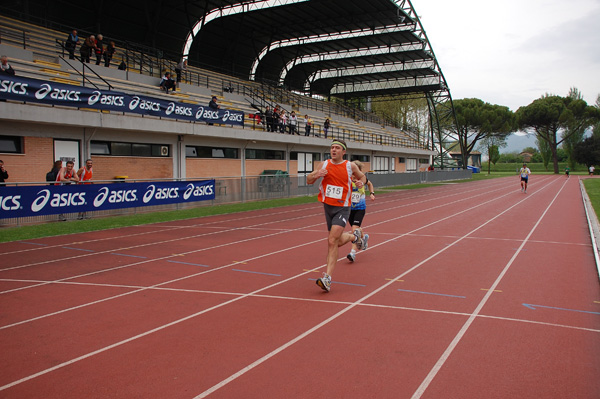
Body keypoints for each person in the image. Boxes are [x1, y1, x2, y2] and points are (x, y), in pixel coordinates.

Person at [307, 140, 370, 292]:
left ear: (343, 152)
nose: (334, 150)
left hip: (343, 207)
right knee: (334, 241)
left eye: (337, 148)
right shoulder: (323, 164)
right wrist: (317, 174)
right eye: (332, 147)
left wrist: (361, 183)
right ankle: (355, 238)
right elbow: (309, 180)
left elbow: (363, 177)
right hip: (328, 206)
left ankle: (327, 278)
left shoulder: (350, 166)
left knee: (331, 240)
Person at [347, 160, 375, 263]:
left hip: (360, 209)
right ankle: (364, 239)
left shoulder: (362, 180)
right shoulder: (348, 180)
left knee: (354, 230)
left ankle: (352, 253)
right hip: (350, 210)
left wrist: (371, 193)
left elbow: (370, 184)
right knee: (357, 229)